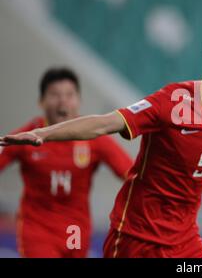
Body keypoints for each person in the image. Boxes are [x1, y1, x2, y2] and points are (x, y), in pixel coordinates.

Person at [0, 32, 202, 258]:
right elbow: (105, 122)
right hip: (136, 237)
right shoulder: (171, 102)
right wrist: (45, 134)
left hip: (184, 239)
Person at [0, 67, 133, 258]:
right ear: (41, 101)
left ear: (79, 101)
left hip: (76, 229)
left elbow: (131, 173)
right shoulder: (27, 137)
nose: (63, 100)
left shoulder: (93, 138)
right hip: (37, 230)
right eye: (54, 94)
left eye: (69, 94)